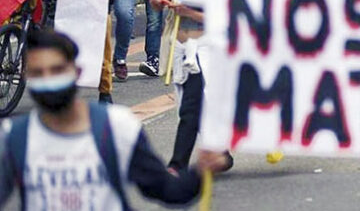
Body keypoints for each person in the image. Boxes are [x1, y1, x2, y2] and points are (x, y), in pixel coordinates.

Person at [0, 29, 229, 208]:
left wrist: (200, 170)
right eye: (39, 73)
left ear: (77, 72)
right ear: (26, 76)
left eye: (57, 70)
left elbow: (167, 190)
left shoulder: (118, 128)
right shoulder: (15, 139)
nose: (48, 80)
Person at [147, 0, 234, 174]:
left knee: (190, 108)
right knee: (191, 106)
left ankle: (177, 165)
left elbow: (224, 17)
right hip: (181, 48)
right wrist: (155, 0)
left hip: (204, 49)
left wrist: (190, 13)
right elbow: (161, 3)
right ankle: (220, 153)